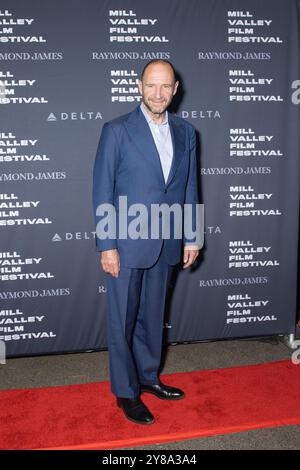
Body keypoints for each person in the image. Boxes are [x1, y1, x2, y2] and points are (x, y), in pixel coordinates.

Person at [93, 59, 201, 425]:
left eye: (165, 86)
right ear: (140, 86)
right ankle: (126, 392)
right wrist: (106, 244)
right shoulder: (117, 130)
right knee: (122, 320)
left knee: (153, 317)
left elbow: (189, 187)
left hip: (167, 241)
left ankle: (149, 378)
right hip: (126, 243)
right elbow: (101, 190)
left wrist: (193, 235)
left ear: (175, 89)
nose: (157, 93)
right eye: (151, 85)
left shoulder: (187, 133)